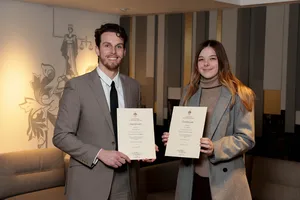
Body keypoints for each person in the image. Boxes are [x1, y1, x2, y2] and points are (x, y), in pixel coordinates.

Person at [53, 23, 157, 200]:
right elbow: (61, 136)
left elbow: (134, 128)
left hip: (126, 182)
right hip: (89, 182)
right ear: (97, 49)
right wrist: (100, 153)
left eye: (119, 46)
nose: (113, 52)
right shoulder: (77, 86)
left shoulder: (133, 87)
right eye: (107, 45)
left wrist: (144, 148)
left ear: (124, 51)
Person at [162, 39, 255, 200]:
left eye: (212, 58)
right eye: (201, 59)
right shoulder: (189, 92)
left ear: (221, 61)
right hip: (191, 178)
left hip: (224, 182)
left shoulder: (241, 93)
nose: (206, 64)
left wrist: (216, 148)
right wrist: (174, 139)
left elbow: (246, 138)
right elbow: (185, 130)